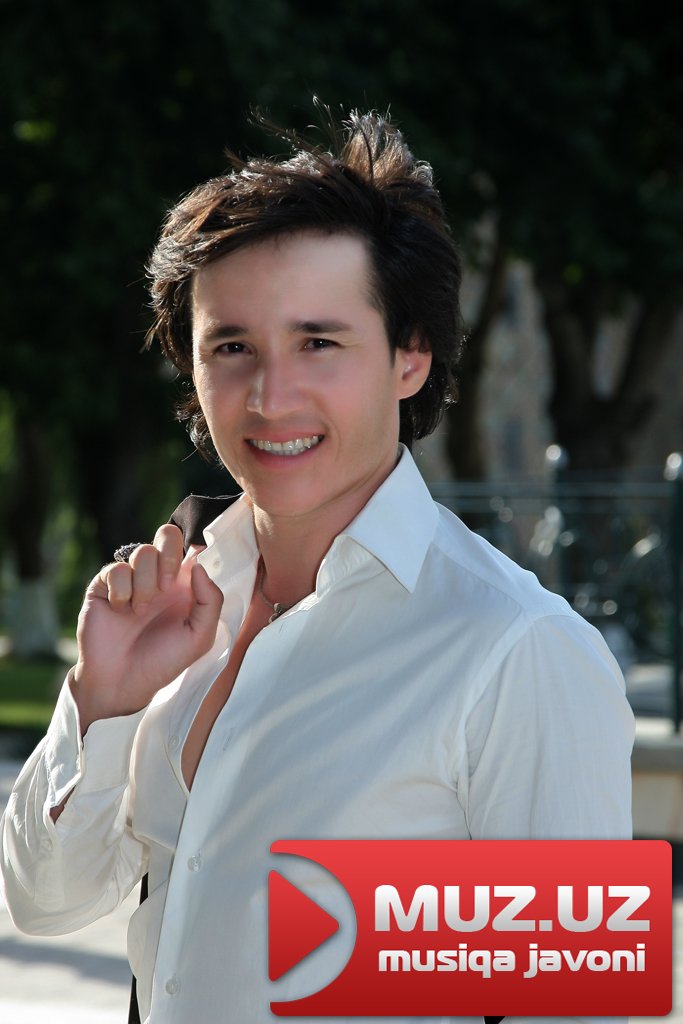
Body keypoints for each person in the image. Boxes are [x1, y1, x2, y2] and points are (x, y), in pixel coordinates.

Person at [1, 109, 634, 1024]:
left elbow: (568, 1004)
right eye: (232, 347)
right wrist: (103, 702)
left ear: (409, 358)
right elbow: (45, 903)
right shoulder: (184, 612)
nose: (269, 395)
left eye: (318, 342)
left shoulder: (516, 648)